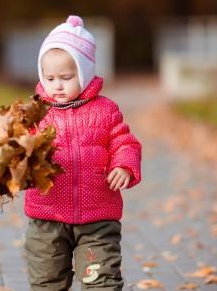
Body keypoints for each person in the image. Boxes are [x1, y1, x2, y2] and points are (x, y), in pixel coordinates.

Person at [24, 15, 142, 291]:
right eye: (50, 78)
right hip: (46, 217)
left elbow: (125, 142)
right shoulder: (35, 113)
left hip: (98, 219)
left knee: (102, 282)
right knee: (46, 282)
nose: (58, 85)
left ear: (85, 72)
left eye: (67, 77)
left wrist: (124, 166)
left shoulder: (105, 110)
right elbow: (20, 150)